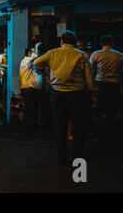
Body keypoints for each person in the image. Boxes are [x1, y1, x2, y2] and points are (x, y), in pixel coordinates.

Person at [34, 30, 97, 166]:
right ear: (74, 42)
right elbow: (89, 77)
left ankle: (62, 158)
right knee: (78, 126)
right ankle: (77, 155)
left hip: (58, 93)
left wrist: (45, 75)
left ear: (61, 41)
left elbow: (36, 64)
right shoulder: (81, 55)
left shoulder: (52, 53)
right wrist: (92, 93)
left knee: (60, 126)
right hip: (77, 94)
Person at [90, 35, 123, 138]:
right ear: (112, 43)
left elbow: (91, 69)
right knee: (111, 108)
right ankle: (110, 131)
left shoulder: (96, 54)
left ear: (101, 44)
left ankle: (96, 130)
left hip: (100, 82)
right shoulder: (120, 55)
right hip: (114, 83)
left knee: (97, 107)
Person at [19, 47, 42, 137]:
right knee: (30, 111)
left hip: (31, 90)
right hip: (29, 90)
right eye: (32, 51)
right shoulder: (27, 61)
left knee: (31, 110)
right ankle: (29, 132)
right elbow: (35, 57)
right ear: (29, 53)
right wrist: (36, 48)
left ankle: (29, 130)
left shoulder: (28, 63)